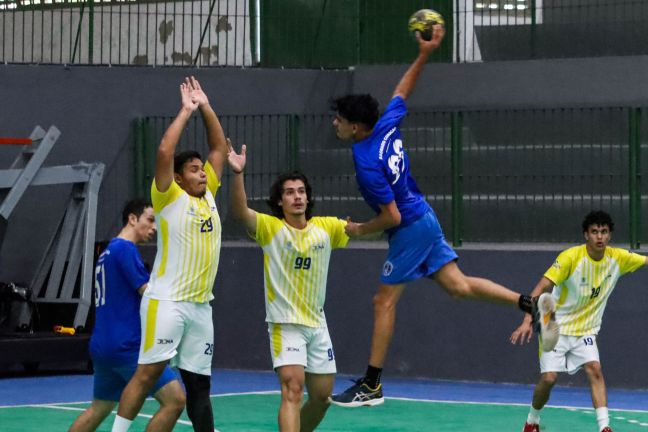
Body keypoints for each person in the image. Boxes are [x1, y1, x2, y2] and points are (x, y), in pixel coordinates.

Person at [329, 25, 559, 407]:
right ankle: (530, 304)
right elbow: (403, 90)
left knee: (382, 302)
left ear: (355, 127)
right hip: (426, 216)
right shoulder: (386, 123)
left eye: (337, 119)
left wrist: (358, 230)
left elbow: (391, 216)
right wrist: (424, 53)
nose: (333, 123)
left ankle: (371, 384)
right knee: (459, 286)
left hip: (410, 228)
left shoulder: (366, 161)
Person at [112, 76, 228, 432]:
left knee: (199, 385)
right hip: (167, 301)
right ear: (177, 179)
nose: (202, 174)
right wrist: (185, 111)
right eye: (194, 171)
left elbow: (219, 150)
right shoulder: (169, 197)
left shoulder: (208, 195)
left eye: (202, 170)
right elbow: (164, 152)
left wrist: (206, 106)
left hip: (199, 306)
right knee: (147, 374)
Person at [227, 143, 349, 431]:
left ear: (308, 198)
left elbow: (363, 230)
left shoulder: (327, 228)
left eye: (301, 192)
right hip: (285, 324)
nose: (297, 197)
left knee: (321, 397)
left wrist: (393, 218)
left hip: (318, 325)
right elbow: (239, 212)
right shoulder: (271, 228)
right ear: (280, 201)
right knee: (292, 390)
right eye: (290, 192)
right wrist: (238, 174)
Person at [511, 211, 647, 432]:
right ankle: (532, 421)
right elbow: (541, 287)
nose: (599, 237)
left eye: (604, 232)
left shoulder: (618, 258)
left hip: (586, 330)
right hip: (553, 323)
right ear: (586, 235)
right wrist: (528, 319)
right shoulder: (570, 258)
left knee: (594, 368)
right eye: (594, 232)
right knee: (549, 378)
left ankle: (604, 428)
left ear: (610, 235)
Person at [69, 199, 185, 432]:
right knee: (175, 400)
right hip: (127, 345)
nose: (154, 228)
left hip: (102, 345)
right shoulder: (126, 249)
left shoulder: (107, 253)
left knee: (99, 409)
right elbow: (148, 294)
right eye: (150, 220)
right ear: (133, 219)